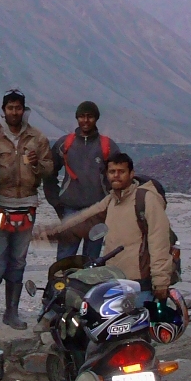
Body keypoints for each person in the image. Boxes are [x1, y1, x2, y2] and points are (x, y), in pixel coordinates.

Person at [37, 152, 172, 302]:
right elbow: (83, 221)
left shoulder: (146, 199)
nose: (116, 175)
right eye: (112, 171)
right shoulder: (111, 201)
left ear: (131, 174)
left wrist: (161, 281)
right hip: (116, 279)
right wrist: (49, 234)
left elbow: (159, 241)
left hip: (141, 283)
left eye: (121, 172)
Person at [0, 89, 54, 331]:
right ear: (3, 110)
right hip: (0, 206)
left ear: (24, 110)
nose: (14, 112)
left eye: (18, 107)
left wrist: (36, 165)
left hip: (27, 206)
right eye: (10, 107)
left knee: (18, 261)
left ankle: (11, 312)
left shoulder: (38, 137)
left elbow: (49, 168)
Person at [43, 101, 120, 261]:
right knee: (64, 261)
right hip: (70, 211)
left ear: (96, 119)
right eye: (82, 116)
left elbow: (119, 177)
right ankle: (61, 286)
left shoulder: (108, 146)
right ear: (77, 118)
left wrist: (112, 206)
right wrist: (57, 202)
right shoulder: (64, 144)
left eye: (90, 117)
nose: (86, 120)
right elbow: (49, 173)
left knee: (91, 262)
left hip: (98, 213)